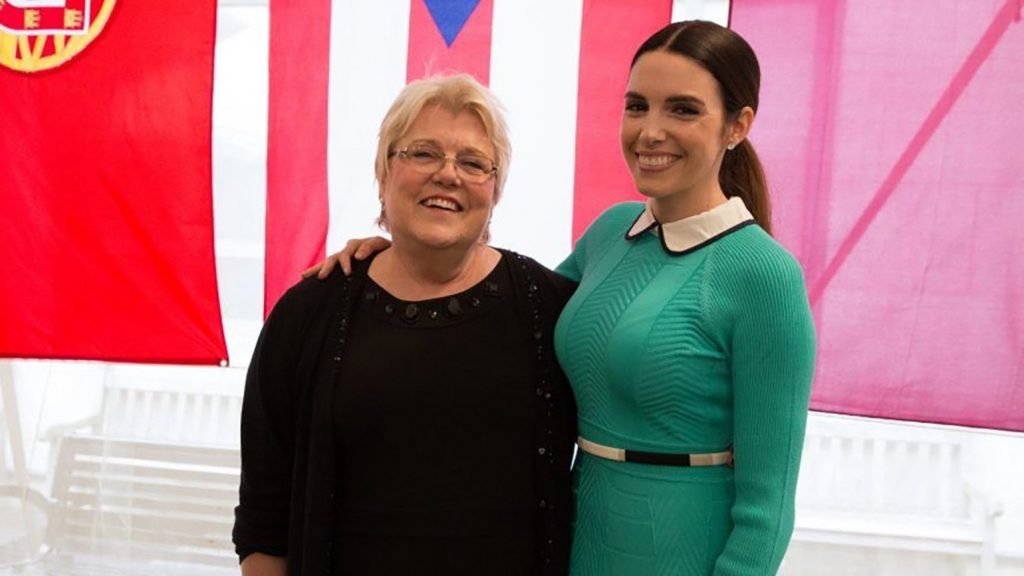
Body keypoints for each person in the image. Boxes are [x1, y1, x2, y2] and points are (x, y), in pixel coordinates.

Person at [315, 20, 816, 576]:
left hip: (681, 547)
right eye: (637, 106)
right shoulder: (611, 232)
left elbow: (768, 507)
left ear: (737, 125)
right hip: (574, 530)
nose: (650, 131)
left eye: (683, 110)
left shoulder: (765, 276)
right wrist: (400, 250)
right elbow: (501, 310)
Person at [233, 74, 577, 576]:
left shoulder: (553, 309)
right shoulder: (308, 314)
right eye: (423, 153)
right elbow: (264, 516)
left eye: (473, 163)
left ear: (495, 190)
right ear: (383, 173)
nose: (447, 174)